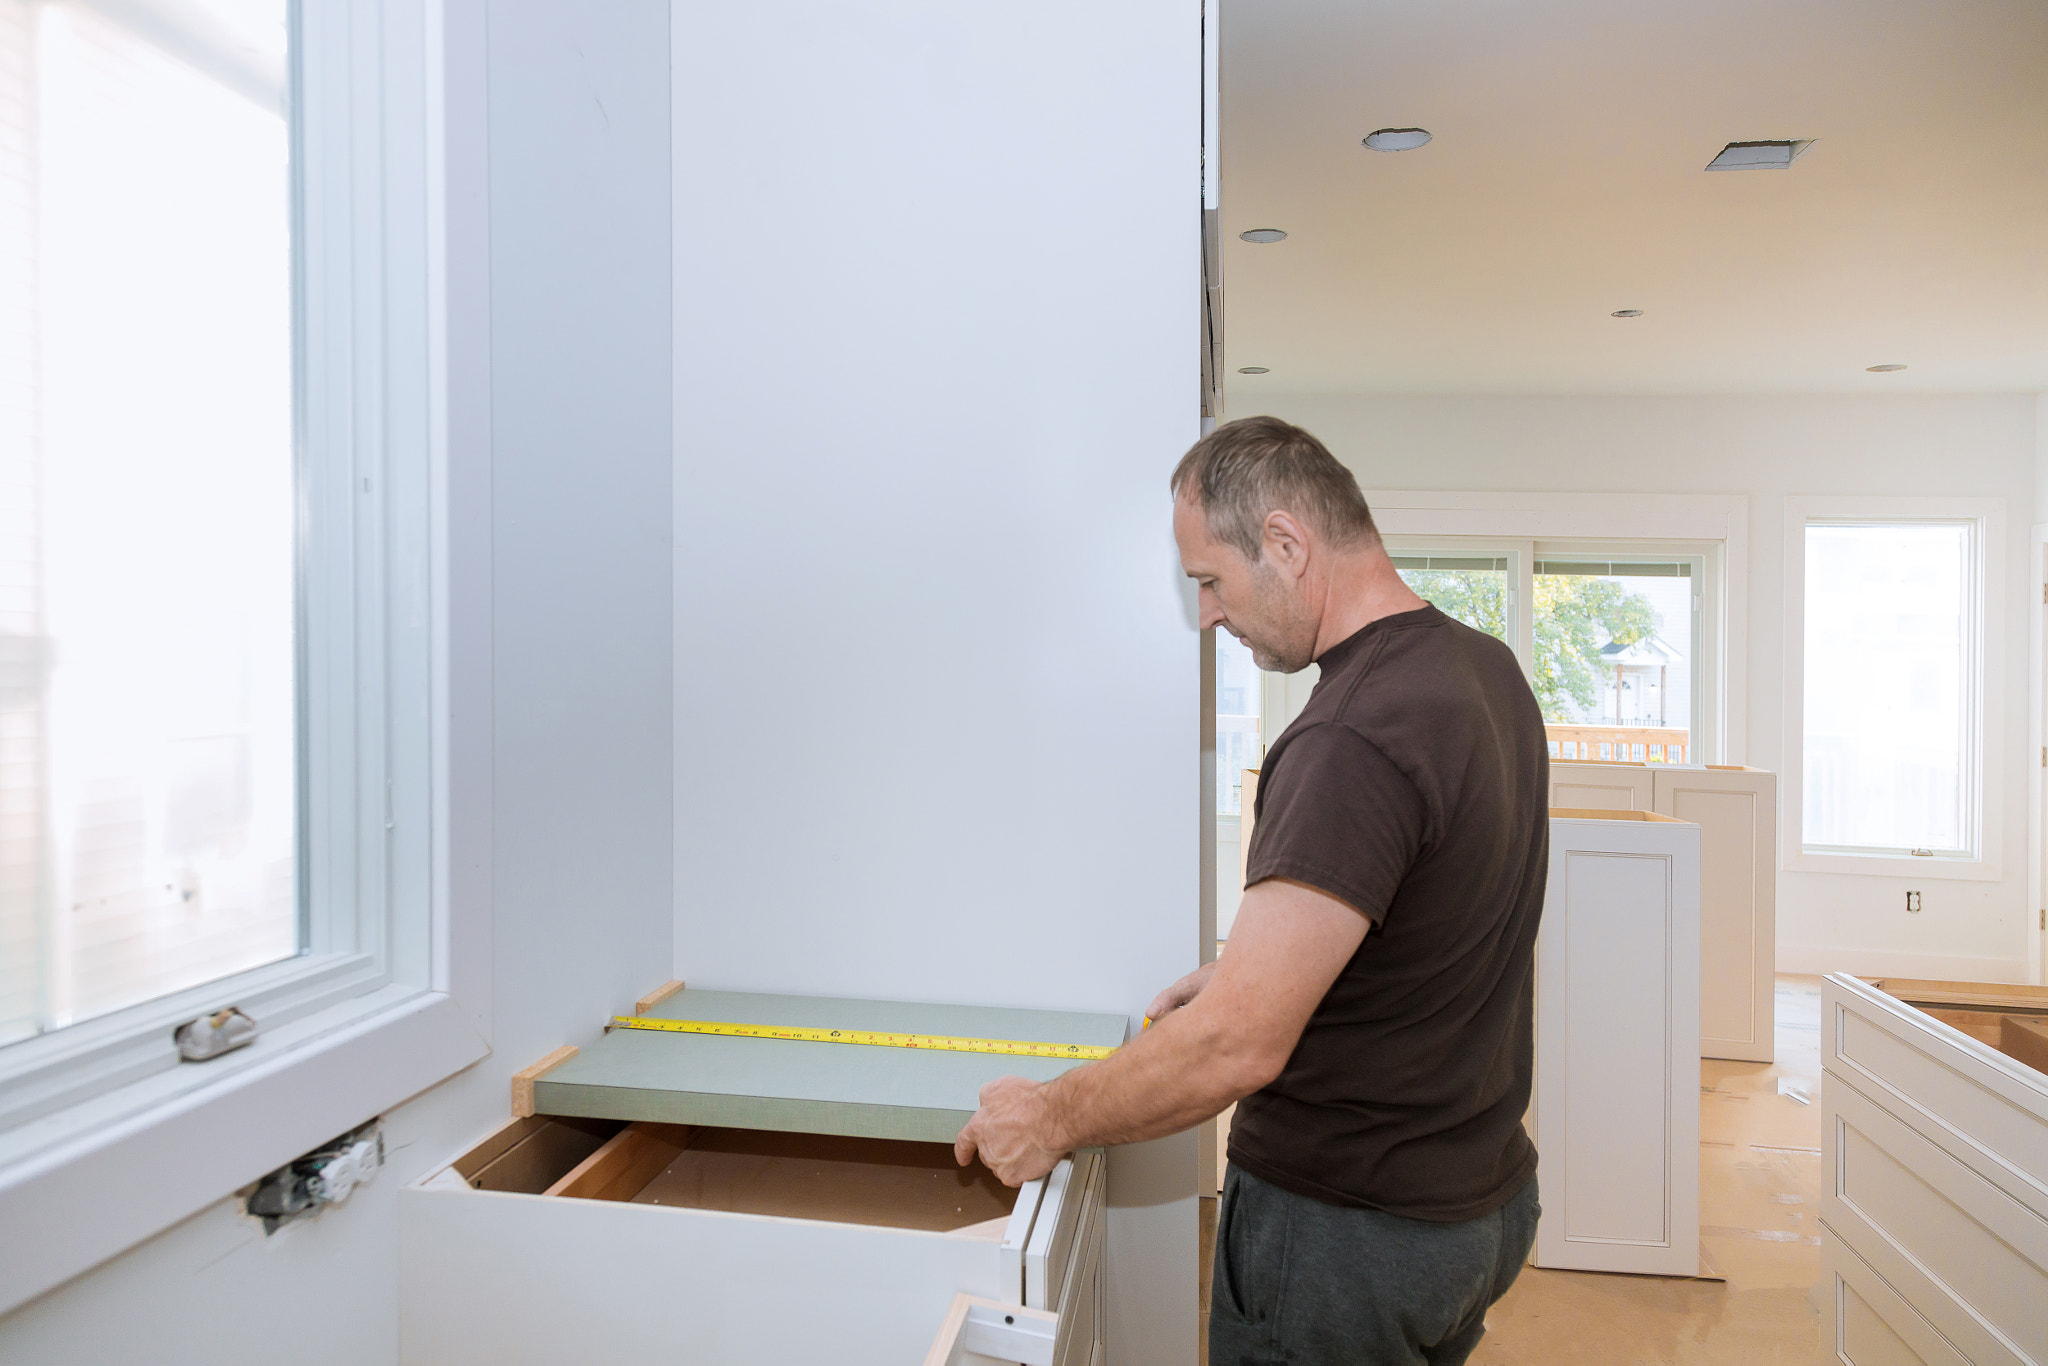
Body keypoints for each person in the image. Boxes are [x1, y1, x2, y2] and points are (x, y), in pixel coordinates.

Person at [954, 415, 1549, 1364]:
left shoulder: (1348, 737)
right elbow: (1433, 928)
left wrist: (1051, 1114)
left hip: (1348, 1237)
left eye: (1209, 582)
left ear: (1285, 543)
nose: (1207, 615)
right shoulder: (1484, 673)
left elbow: (1237, 1045)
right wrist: (1250, 972)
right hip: (1474, 1212)